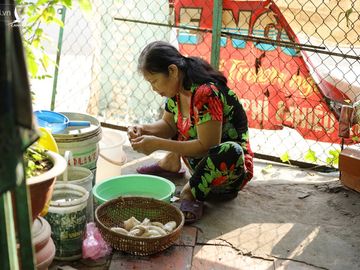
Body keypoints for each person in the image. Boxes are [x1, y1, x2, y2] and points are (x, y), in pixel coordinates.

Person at [128, 41, 254, 223]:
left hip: (226, 172)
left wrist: (157, 144)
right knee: (182, 125)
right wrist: (142, 129)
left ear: (172, 70)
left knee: (231, 150)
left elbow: (207, 146)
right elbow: (168, 125)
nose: (154, 88)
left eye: (154, 81)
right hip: (199, 163)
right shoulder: (176, 92)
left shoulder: (205, 93)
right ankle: (171, 163)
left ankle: (190, 192)